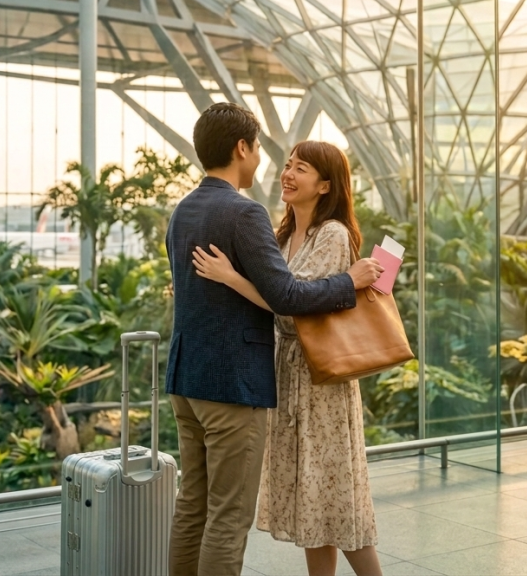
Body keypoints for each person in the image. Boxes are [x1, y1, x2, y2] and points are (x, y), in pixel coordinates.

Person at [164, 102, 384, 576]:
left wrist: (232, 279)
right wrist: (349, 282)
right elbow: (286, 296)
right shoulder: (247, 215)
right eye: (277, 156)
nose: (279, 168)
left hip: (195, 377)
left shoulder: (183, 210)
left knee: (194, 506)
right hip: (235, 385)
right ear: (241, 148)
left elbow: (277, 298)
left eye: (300, 167)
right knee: (227, 517)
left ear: (325, 184)